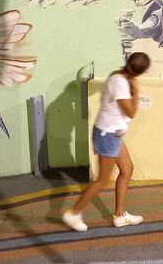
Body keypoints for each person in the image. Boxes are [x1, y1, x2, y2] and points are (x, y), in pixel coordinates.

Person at [62, 52, 150, 231]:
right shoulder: (121, 82)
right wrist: (136, 91)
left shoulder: (119, 76)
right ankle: (73, 213)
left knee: (127, 169)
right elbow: (131, 112)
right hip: (107, 135)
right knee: (102, 179)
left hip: (113, 134)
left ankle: (120, 215)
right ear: (140, 72)